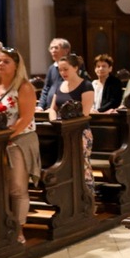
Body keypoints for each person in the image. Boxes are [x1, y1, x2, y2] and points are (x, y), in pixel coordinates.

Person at [0, 47, 40, 244]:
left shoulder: (24, 87)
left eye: (6, 61)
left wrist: (7, 136)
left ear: (16, 66)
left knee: (17, 187)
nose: (1, 65)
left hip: (18, 141)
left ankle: (18, 228)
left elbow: (26, 117)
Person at [47, 54, 95, 203]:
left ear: (75, 68)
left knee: (82, 164)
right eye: (60, 70)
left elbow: (85, 113)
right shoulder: (59, 85)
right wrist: (55, 121)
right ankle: (69, 200)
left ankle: (88, 199)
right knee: (65, 166)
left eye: (66, 69)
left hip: (80, 132)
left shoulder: (86, 85)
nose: (63, 73)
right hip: (61, 132)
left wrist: (68, 125)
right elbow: (52, 108)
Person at [38, 38, 71, 110]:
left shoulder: (72, 67)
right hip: (49, 109)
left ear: (66, 50)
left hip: (65, 109)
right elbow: (46, 89)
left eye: (56, 48)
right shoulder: (51, 68)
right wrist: (40, 106)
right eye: (51, 48)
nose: (53, 50)